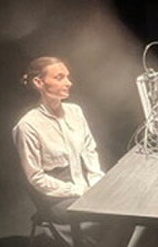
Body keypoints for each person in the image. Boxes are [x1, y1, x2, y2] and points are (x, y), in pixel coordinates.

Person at [12, 56, 104, 222]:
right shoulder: (28, 126)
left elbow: (89, 150)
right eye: (59, 77)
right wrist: (79, 190)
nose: (69, 83)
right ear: (39, 83)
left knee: (121, 202)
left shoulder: (75, 111)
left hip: (84, 185)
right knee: (109, 214)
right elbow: (36, 177)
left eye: (67, 77)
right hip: (55, 197)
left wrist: (96, 182)